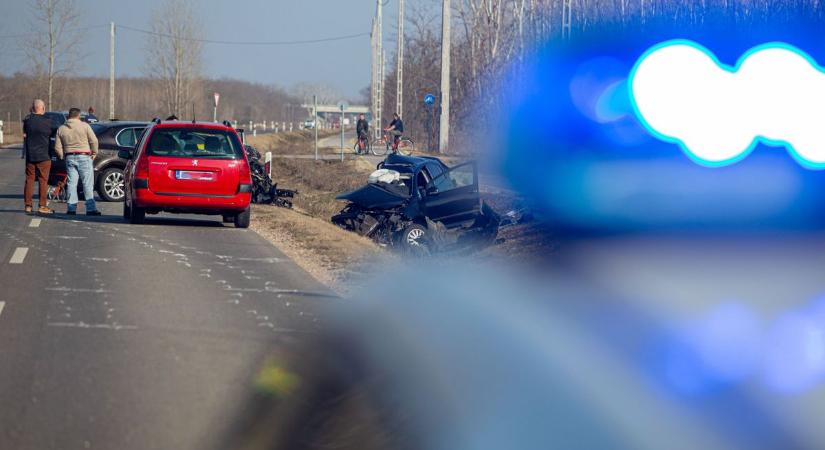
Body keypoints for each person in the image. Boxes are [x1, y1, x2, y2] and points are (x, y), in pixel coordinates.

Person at [55, 108, 100, 216]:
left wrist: (62, 156)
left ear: (68, 116)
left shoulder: (61, 129)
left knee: (71, 184)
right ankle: (90, 209)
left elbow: (57, 147)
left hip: (70, 157)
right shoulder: (85, 126)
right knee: (87, 184)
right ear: (78, 116)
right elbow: (94, 141)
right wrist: (94, 153)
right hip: (84, 156)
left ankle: (71, 208)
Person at [22, 99, 56, 214]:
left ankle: (28, 205)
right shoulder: (48, 121)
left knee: (29, 180)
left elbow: (26, 129)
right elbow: (53, 134)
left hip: (31, 156)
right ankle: (42, 206)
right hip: (44, 156)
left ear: (32, 108)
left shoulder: (27, 121)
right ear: (43, 108)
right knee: (43, 181)